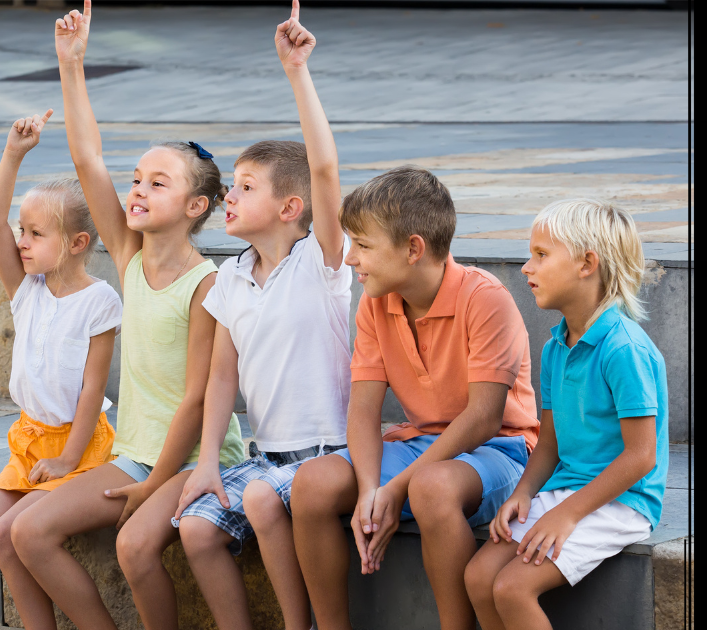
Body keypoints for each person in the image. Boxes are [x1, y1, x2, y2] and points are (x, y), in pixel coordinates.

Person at [10, 3, 247, 629]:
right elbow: (89, 160)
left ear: (196, 204)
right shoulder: (128, 254)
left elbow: (198, 400)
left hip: (192, 454)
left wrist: (156, 481)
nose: (137, 190)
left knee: (135, 544)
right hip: (134, 451)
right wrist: (72, 64)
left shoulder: (206, 284)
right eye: (137, 178)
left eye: (157, 183)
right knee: (29, 532)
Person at [290, 165, 540, 630]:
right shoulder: (374, 302)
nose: (350, 260)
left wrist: (397, 487)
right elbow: (363, 412)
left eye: (363, 246)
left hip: (500, 449)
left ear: (413, 250)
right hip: (419, 444)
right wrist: (370, 490)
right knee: (311, 483)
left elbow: (485, 418)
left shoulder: (485, 298)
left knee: (431, 488)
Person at [170, 5, 350, 630]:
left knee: (258, 498)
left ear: (289, 206)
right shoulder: (230, 279)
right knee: (195, 525)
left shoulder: (322, 264)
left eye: (246, 187)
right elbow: (223, 377)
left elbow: (325, 170)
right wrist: (208, 461)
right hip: (265, 456)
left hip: (330, 453)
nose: (229, 196)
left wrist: (297, 72)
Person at [0, 109, 122, 630]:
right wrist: (13, 154)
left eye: (36, 233)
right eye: (23, 231)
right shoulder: (27, 291)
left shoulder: (99, 301)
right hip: (29, 439)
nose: (21, 241)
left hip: (80, 444)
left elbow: (94, 387)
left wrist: (70, 458)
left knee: (9, 537)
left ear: (75, 244)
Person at [463, 199, 667, 630]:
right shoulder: (556, 347)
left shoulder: (623, 348)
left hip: (621, 500)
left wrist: (568, 513)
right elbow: (550, 444)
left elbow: (641, 456)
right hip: (568, 490)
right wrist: (522, 493)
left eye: (540, 255)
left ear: (586, 264)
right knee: (479, 577)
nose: (526, 268)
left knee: (511, 588)